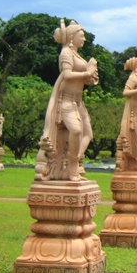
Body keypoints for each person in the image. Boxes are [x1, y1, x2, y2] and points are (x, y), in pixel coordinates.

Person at [36, 20, 98, 181]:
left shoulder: (77, 55)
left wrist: (91, 76)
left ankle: (73, 163)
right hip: (66, 100)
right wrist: (87, 72)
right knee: (76, 131)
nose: (84, 39)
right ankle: (71, 168)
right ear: (72, 37)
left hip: (78, 101)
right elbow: (67, 75)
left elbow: (83, 79)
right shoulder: (66, 53)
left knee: (88, 134)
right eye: (81, 36)